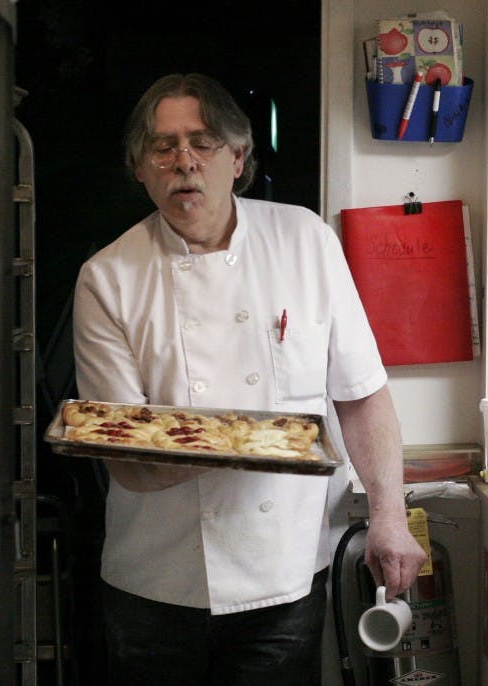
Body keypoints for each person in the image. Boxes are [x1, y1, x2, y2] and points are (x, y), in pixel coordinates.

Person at [71, 73, 426, 685]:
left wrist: (390, 516)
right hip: (156, 581)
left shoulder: (306, 240)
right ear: (139, 167)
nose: (184, 161)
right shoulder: (107, 278)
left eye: (203, 142)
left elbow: (361, 395)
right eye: (163, 146)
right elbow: (127, 456)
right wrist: (253, 442)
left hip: (284, 571)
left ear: (237, 159)